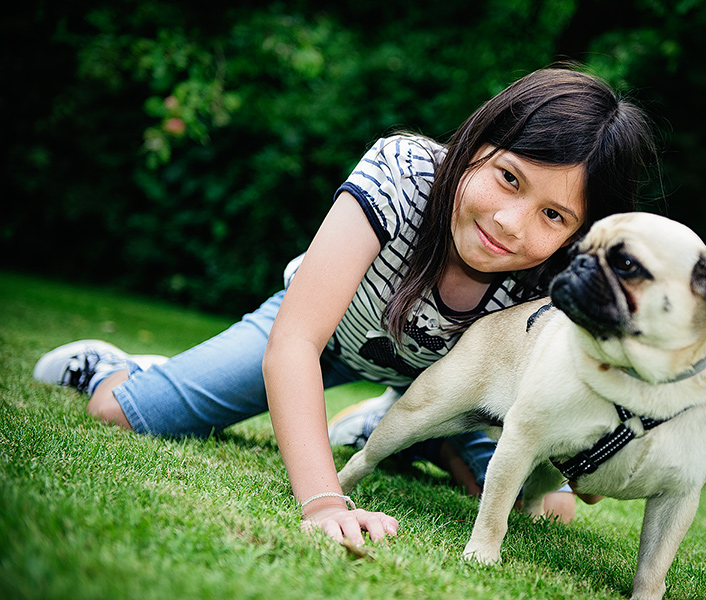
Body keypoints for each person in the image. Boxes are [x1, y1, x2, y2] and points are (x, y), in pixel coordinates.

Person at [33, 66, 657, 547]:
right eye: (509, 178)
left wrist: (592, 452)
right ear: (476, 143)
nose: (509, 222)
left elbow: (554, 409)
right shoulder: (401, 175)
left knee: (546, 507)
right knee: (116, 413)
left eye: (553, 215)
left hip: (443, 385)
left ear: (579, 235)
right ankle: (122, 368)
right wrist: (324, 502)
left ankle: (409, 432)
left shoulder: (555, 283)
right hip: (324, 336)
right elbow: (295, 343)